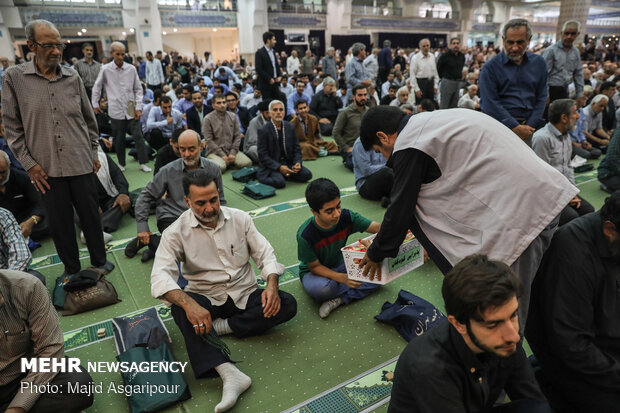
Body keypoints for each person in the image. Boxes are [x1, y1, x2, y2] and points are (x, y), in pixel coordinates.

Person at [357, 106, 577, 328]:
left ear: (383, 137)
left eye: (380, 151)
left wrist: (377, 252)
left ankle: (506, 363)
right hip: (542, 199)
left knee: (500, 318)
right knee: (538, 303)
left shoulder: (410, 142)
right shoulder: (437, 119)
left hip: (522, 219)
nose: (385, 159)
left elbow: (400, 208)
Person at [150, 168, 297, 413]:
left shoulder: (240, 218)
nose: (209, 208)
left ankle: (222, 328)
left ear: (219, 194)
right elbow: (159, 276)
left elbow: (265, 254)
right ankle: (229, 372)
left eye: (213, 200)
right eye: (200, 203)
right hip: (206, 298)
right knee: (179, 309)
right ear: (187, 202)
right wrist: (189, 304)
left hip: (244, 292)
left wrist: (272, 283)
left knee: (287, 303)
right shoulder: (175, 232)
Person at [2, 19, 113, 277]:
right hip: (45, 169)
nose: (56, 51)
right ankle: (72, 269)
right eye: (48, 45)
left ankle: (99, 262)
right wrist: (30, 165)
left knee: (91, 217)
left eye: (59, 45)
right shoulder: (15, 78)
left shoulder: (72, 77)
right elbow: (12, 128)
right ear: (31, 45)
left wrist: (93, 150)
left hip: (80, 161)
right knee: (61, 223)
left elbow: (89, 120)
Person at [388, 255, 551, 413]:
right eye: (493, 324)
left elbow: (532, 399)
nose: (514, 336)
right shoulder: (431, 370)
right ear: (459, 324)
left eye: (513, 315)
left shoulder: (504, 341)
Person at [527, 192, 620, 412]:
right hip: (578, 363)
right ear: (609, 230)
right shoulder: (572, 254)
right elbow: (571, 344)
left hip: (606, 346)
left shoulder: (613, 243)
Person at [0, 269, 94, 412]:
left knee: (79, 386)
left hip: (30, 369)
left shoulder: (27, 287)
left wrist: (17, 408)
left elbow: (50, 349)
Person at [129, 130, 225, 261]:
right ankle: (154, 241)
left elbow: (221, 201)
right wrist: (142, 227)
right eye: (182, 149)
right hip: (173, 216)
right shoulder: (168, 170)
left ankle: (155, 244)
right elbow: (145, 196)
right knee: (189, 255)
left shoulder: (213, 169)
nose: (187, 154)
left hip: (203, 217)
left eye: (191, 149)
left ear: (202, 146)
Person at [297, 178, 381, 318]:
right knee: (322, 290)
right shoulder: (305, 234)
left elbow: (376, 228)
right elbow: (315, 267)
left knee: (378, 275)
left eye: (338, 207)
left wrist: (398, 223)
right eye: (329, 211)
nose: (336, 214)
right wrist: (342, 278)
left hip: (341, 264)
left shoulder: (347, 217)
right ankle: (341, 292)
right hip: (315, 273)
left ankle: (340, 299)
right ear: (314, 211)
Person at [479, 19, 547, 142]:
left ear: (529, 39)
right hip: (501, 128)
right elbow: (489, 104)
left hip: (532, 128)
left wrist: (530, 126)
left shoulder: (539, 63)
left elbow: (542, 97)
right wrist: (514, 126)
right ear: (503, 39)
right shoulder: (490, 68)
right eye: (510, 42)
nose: (514, 48)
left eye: (520, 42)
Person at [92, 42, 152, 172]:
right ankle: (121, 164)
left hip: (131, 106)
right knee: (119, 139)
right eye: (117, 54)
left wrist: (138, 107)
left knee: (138, 136)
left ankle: (143, 162)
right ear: (112, 53)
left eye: (122, 54)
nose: (120, 57)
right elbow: (97, 87)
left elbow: (138, 89)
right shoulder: (105, 69)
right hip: (115, 108)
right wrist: (95, 104)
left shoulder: (131, 69)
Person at [532, 99, 594, 225]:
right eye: (575, 112)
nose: (578, 116)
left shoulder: (566, 135)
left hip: (565, 191)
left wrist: (573, 192)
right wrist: (564, 197)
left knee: (589, 211)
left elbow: (568, 167)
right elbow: (543, 177)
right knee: (572, 217)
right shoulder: (542, 138)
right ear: (564, 118)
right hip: (549, 195)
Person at [257, 100, 312, 189]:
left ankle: (286, 174)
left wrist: (297, 163)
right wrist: (279, 167)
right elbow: (263, 155)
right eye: (275, 110)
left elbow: (296, 149)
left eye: (281, 110)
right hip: (272, 165)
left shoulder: (290, 127)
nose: (278, 112)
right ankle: (277, 175)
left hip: (288, 162)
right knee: (279, 183)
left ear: (284, 112)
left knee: (307, 175)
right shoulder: (263, 130)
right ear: (270, 113)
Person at [0, 150, 48, 241]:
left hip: (25, 220)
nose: (0, 177)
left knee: (51, 219)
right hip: (3, 224)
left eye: (2, 172)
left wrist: (31, 221)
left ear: (9, 166)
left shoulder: (22, 178)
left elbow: (39, 204)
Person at [202, 94, 252, 172]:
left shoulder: (233, 116)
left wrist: (232, 152)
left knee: (247, 163)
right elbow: (209, 140)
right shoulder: (207, 119)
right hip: (215, 152)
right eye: (218, 103)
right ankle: (220, 162)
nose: (222, 105)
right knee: (221, 167)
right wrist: (222, 155)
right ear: (213, 105)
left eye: (224, 102)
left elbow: (237, 136)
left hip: (231, 150)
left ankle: (229, 161)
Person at [543, 20, 584, 104]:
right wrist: (545, 95)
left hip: (565, 90)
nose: (569, 36)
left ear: (577, 34)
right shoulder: (551, 51)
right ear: (561, 33)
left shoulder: (575, 52)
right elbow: (543, 75)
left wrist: (579, 94)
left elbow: (578, 74)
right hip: (551, 90)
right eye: (566, 33)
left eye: (573, 34)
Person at [333, 84, 369, 170]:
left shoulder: (369, 111)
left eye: (365, 95)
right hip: (351, 148)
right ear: (353, 97)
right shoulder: (345, 112)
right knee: (354, 165)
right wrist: (346, 148)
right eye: (360, 95)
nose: (363, 97)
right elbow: (335, 132)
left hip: (365, 147)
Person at [352, 137, 393, 204]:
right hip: (365, 185)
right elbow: (366, 170)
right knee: (387, 173)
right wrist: (389, 165)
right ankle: (396, 198)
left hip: (384, 180)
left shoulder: (384, 139)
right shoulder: (360, 143)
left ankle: (392, 199)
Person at [437, 37, 465, 109]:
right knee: (444, 105)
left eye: (457, 43)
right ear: (450, 45)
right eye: (454, 43)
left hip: (457, 82)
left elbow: (460, 68)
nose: (456, 45)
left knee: (454, 106)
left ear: (460, 45)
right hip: (447, 81)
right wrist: (444, 78)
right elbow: (438, 69)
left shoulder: (462, 56)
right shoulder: (444, 56)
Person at [410, 38, 439, 104]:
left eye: (427, 45)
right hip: (421, 84)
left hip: (431, 83)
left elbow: (435, 73)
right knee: (421, 105)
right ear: (420, 47)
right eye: (424, 46)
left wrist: (435, 85)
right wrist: (416, 89)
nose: (426, 48)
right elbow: (412, 75)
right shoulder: (415, 58)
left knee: (431, 105)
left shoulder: (432, 56)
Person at [255, 31, 282, 100]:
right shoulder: (260, 53)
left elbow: (276, 66)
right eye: (273, 39)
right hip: (265, 85)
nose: (275, 41)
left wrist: (279, 76)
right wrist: (269, 78)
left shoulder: (273, 52)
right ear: (268, 40)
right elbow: (258, 69)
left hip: (275, 84)